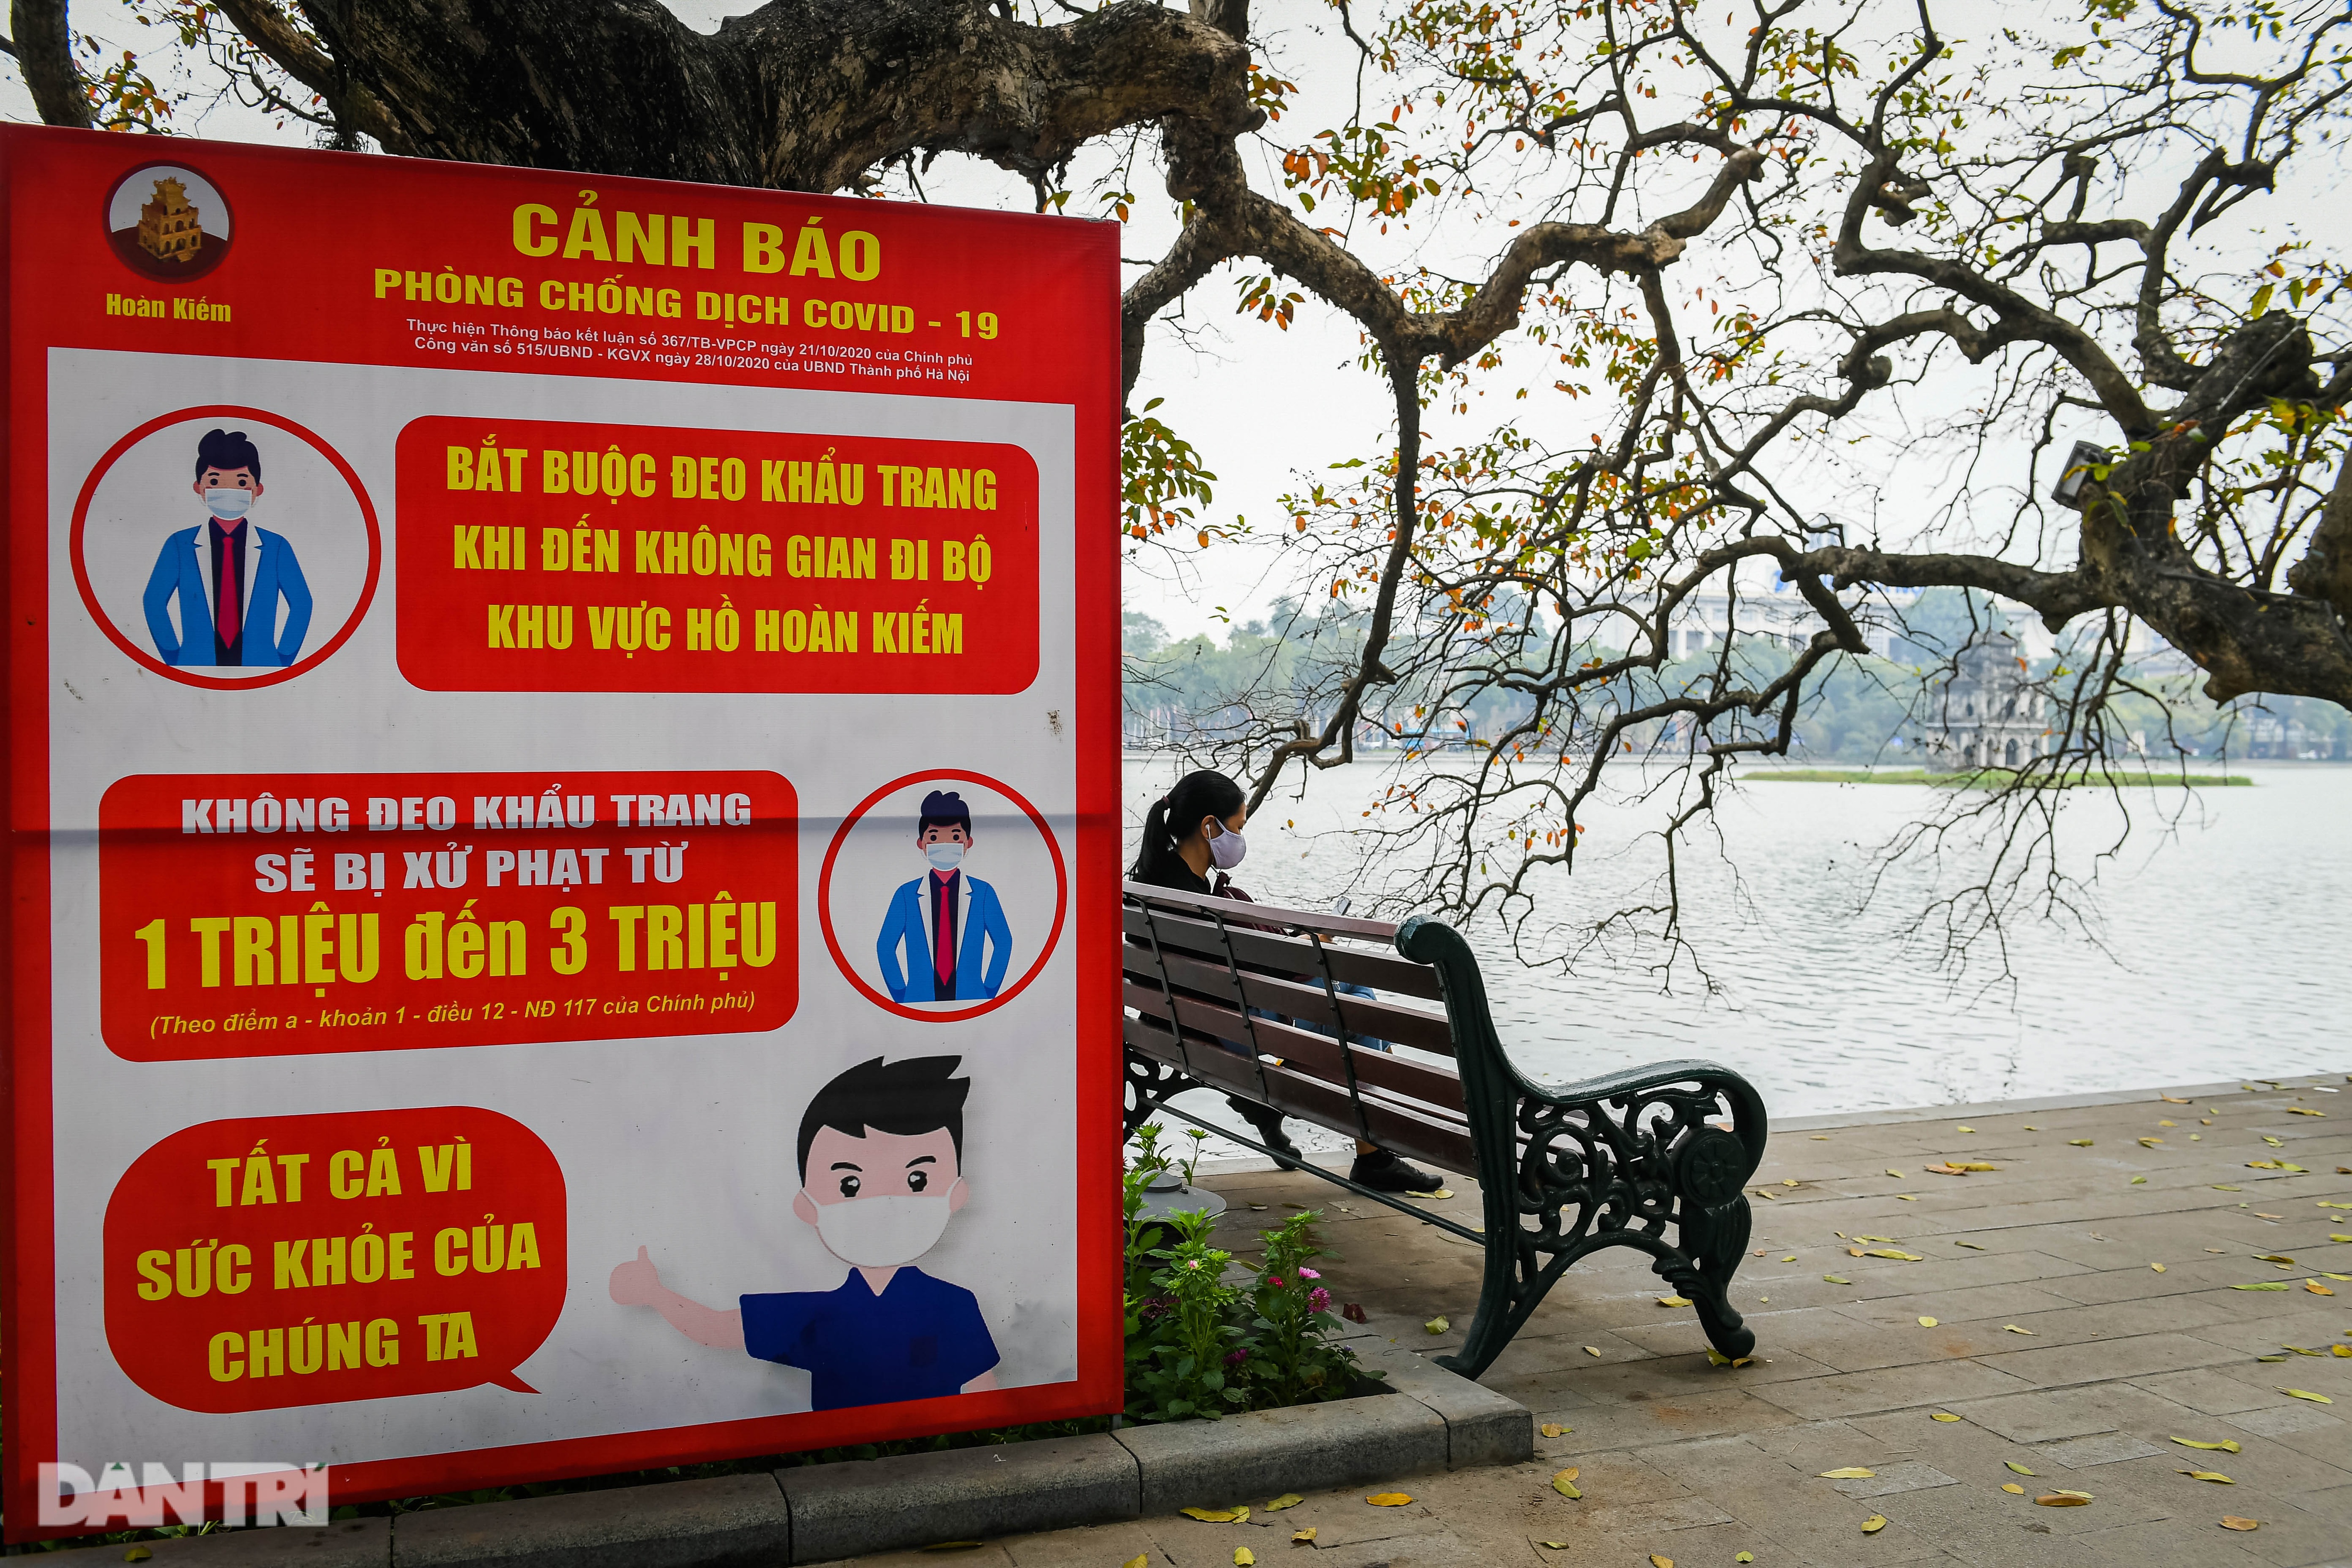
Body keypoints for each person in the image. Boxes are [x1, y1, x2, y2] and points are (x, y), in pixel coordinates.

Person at [609, 1055, 1000, 1411]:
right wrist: (656, 1294)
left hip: (926, 1454)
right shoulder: (817, 1314)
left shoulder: (953, 1304)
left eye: (917, 1179)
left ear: (957, 1192)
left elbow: (983, 1393)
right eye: (850, 1185)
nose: (886, 1200)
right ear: (807, 1205)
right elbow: (719, 1329)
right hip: (847, 1461)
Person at [1129, 768, 1442, 1195]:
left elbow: (1242, 967)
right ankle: (1373, 1154)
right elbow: (1264, 974)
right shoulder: (1200, 904)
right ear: (1209, 826)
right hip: (1235, 1031)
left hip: (1178, 1024)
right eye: (1237, 827)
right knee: (1356, 1000)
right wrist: (1315, 945)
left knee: (1346, 1005)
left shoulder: (1146, 888)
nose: (1239, 839)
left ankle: (1338, 1128)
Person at [139, 428, 313, 668]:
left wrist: (283, 658)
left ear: (257, 490)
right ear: (199, 487)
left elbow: (302, 603)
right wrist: (173, 657)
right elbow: (154, 600)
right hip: (196, 662)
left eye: (242, 482)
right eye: (215, 481)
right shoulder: (179, 545)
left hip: (260, 663)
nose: (228, 490)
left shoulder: (276, 547)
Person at [875, 788, 1013, 1003]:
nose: (944, 844)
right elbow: (885, 945)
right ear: (921, 843)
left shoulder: (983, 893)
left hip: (972, 997)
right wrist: (901, 994)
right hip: (919, 998)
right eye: (934, 836)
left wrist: (989, 992)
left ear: (968, 843)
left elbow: (1004, 942)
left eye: (956, 836)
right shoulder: (906, 895)